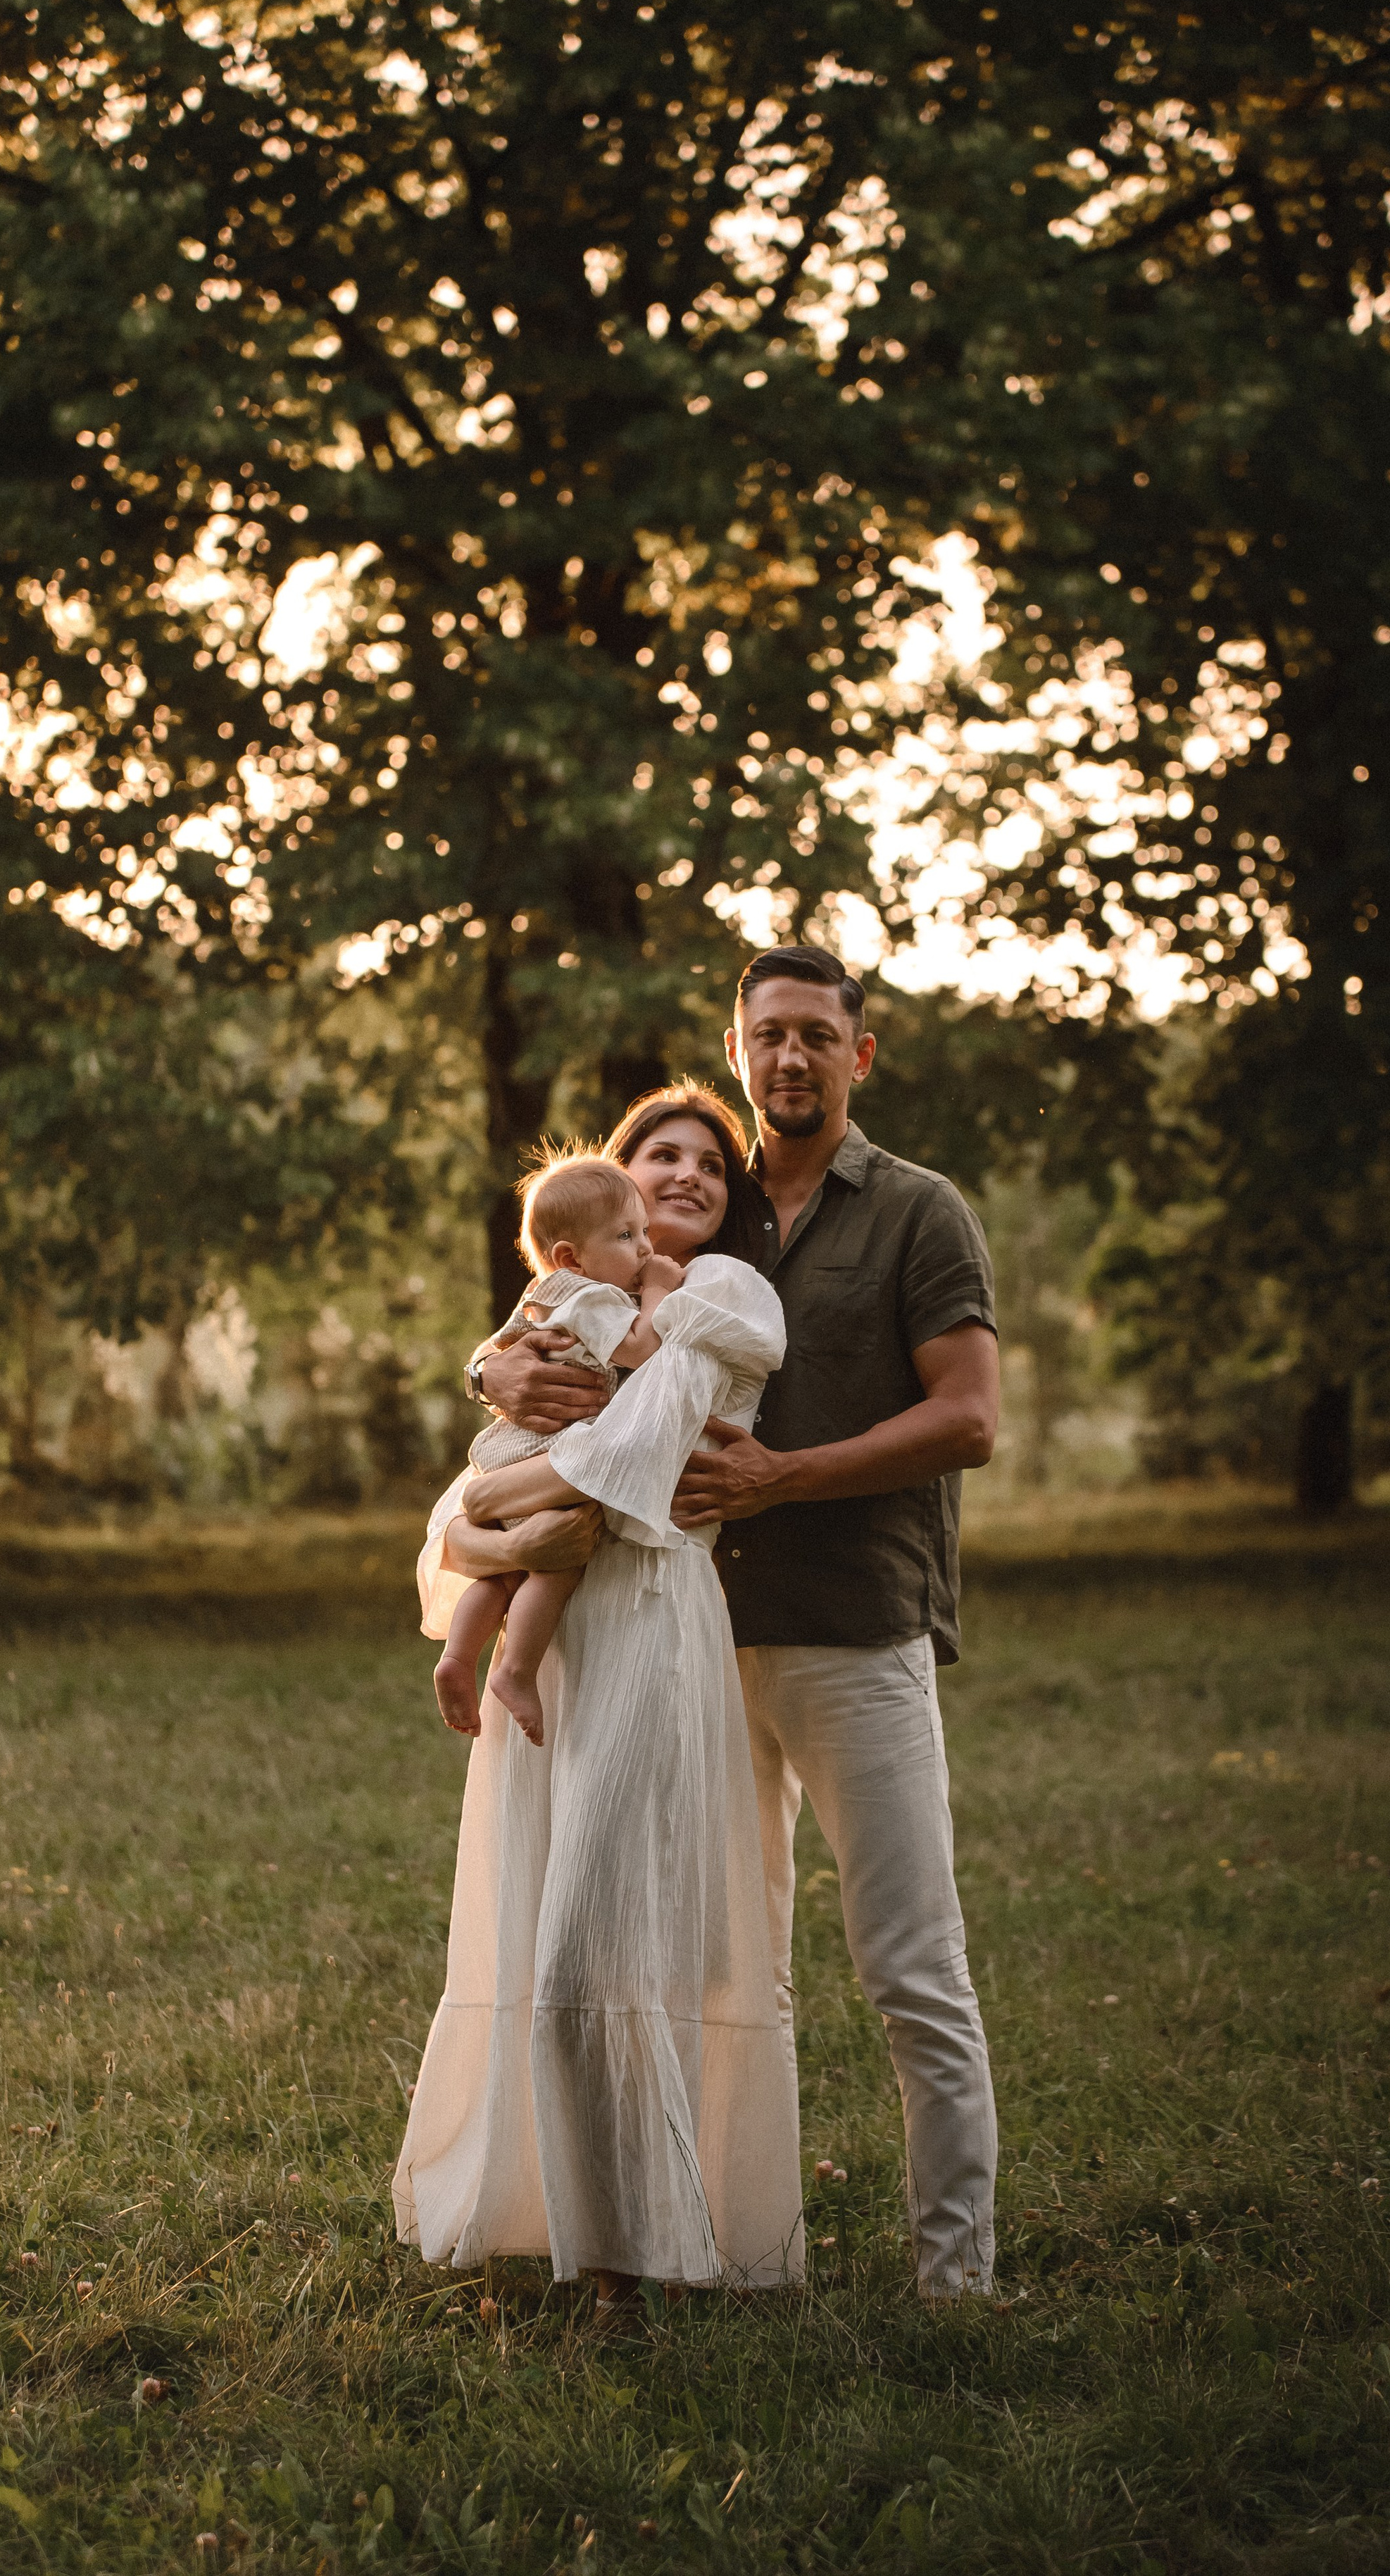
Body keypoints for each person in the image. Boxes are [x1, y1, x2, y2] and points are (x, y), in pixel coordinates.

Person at [476, 962, 1003, 2298]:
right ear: (737, 1047)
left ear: (859, 1055)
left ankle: (960, 2279)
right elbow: (567, 1310)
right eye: (768, 1036)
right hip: (700, 1646)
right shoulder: (696, 1219)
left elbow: (970, 1420)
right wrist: (490, 1363)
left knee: (910, 1969)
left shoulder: (912, 1213)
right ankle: (751, 2252)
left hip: (853, 1630)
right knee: (732, 1977)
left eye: (818, 1038)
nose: (792, 1059)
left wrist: (786, 1474)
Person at [394, 1090, 803, 2297]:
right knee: (538, 1926)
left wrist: (501, 1506)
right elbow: (458, 1519)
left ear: (727, 1203)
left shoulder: (724, 1298)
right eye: (657, 1158)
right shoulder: (548, 1325)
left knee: (603, 1943)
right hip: (555, 1633)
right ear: (616, 1193)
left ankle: (647, 2242)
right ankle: (556, 2218)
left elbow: (617, 1471)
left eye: (708, 1166)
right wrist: (495, 1386)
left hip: (649, 1618)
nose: (683, 1177)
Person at [431, 1152, 686, 1749]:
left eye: (645, 1232)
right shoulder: (591, 1297)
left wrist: (483, 1368)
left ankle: (458, 1654)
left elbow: (497, 1345)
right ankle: (515, 1668)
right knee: (558, 1559)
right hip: (547, 1453)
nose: (645, 1248)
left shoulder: (542, 1292)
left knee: (501, 1577)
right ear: (571, 1256)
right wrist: (660, 1290)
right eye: (628, 1235)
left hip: (508, 1453)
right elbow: (642, 1349)